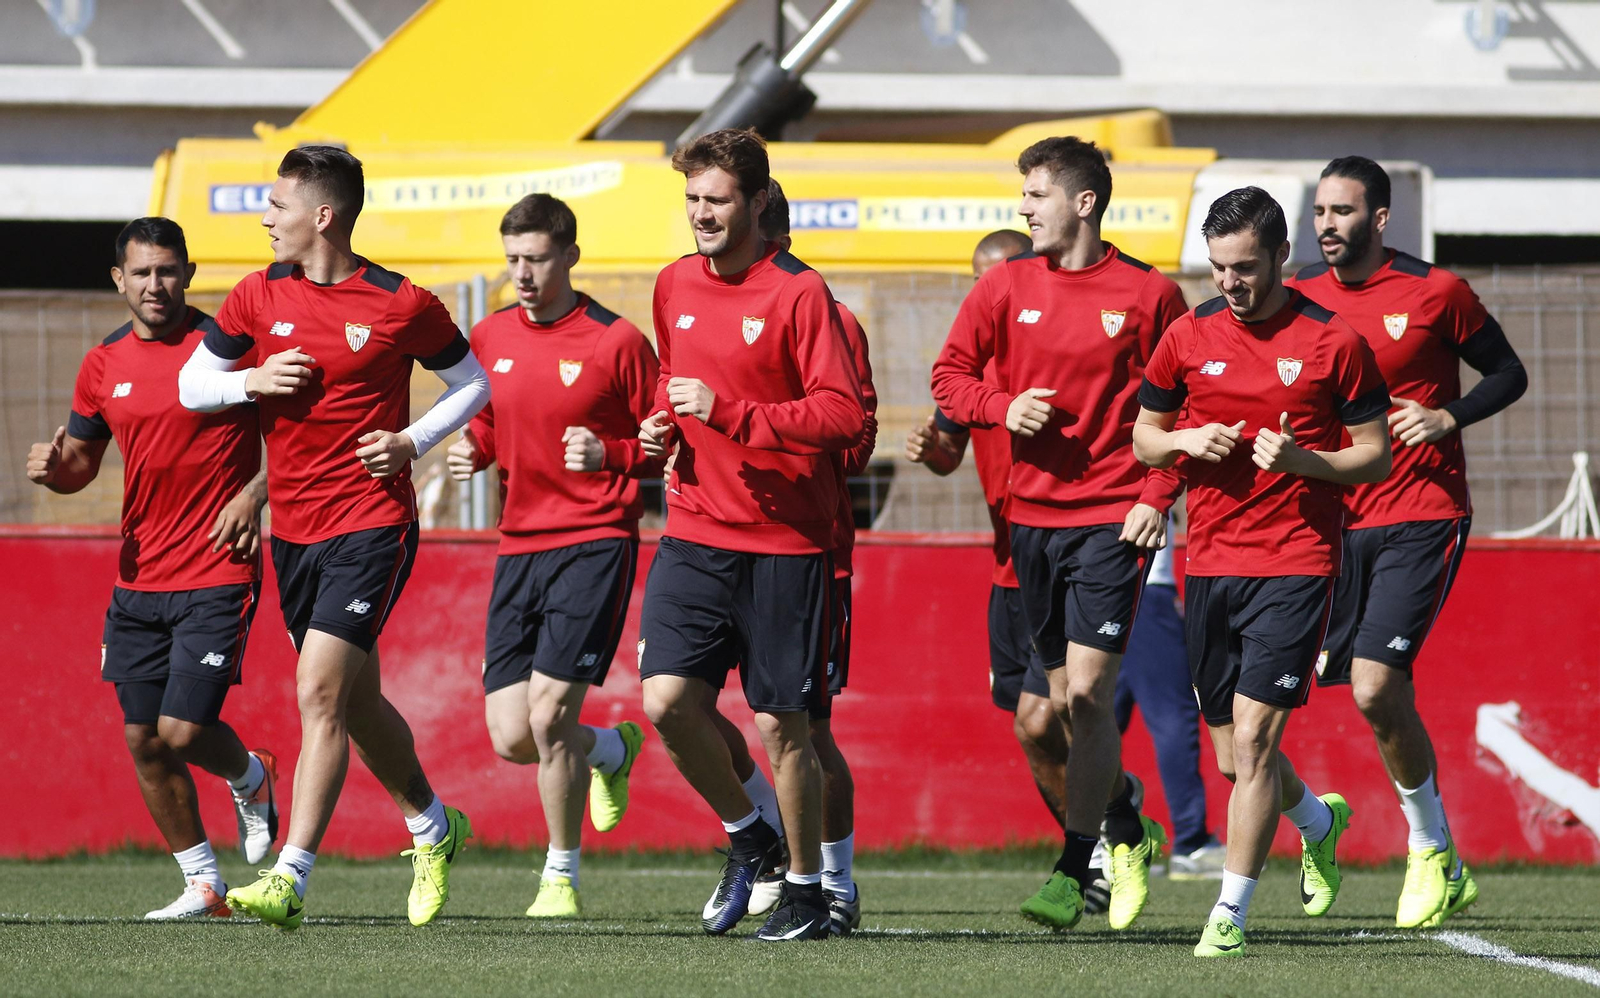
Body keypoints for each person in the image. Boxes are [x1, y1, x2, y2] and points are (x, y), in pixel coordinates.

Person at [178, 146, 491, 930]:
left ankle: (290, 877)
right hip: (296, 531)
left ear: (322, 215)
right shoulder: (256, 294)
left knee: (318, 692)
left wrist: (411, 443)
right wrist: (247, 381)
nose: (264, 218)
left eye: (276, 206)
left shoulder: (399, 302)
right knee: (354, 703)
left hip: (372, 522)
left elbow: (474, 382)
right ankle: (431, 826)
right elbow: (192, 385)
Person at [931, 138, 1184, 933]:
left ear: (1082, 202)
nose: (1022, 209)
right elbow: (948, 378)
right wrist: (1000, 408)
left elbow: (1190, 412)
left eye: (1035, 194)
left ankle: (1076, 870)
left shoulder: (1149, 295)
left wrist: (1159, 494)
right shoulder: (1003, 288)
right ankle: (1125, 820)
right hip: (1028, 526)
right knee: (1053, 715)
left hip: (1113, 520)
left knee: (1084, 692)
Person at [1133, 186, 1391, 958]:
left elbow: (1374, 452)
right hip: (1209, 562)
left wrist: (1307, 460)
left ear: (1282, 255)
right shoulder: (1186, 336)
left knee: (1250, 743)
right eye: (1218, 269)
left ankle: (1229, 916)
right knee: (1231, 753)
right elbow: (1144, 438)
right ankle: (1318, 820)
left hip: (1297, 562)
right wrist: (1186, 443)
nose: (1231, 284)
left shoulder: (1333, 341)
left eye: (1245, 267)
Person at [636, 128, 866, 942]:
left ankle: (808, 890)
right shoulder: (671, 284)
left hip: (787, 544)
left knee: (783, 725)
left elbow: (843, 414)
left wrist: (732, 414)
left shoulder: (801, 293)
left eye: (717, 200)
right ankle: (751, 836)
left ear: (759, 202)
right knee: (665, 702)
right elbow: (672, 379)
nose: (700, 214)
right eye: (692, 199)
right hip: (695, 530)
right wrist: (658, 426)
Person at [1289, 156, 1527, 927]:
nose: (1327, 225)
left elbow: (1508, 372)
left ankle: (1427, 848)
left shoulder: (1436, 292)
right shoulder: (1296, 298)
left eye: (1343, 212)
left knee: (1373, 685)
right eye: (1320, 212)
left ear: (1381, 218)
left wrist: (1446, 418)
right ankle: (1353, 837)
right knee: (1352, 696)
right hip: (1334, 523)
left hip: (1422, 512)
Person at [26, 217, 278, 920]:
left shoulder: (228, 350)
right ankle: (204, 882)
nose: (155, 285)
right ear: (119, 281)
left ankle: (253, 778)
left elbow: (300, 437)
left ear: (189, 273)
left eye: (167, 271)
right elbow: (80, 464)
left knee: (184, 730)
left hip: (218, 568)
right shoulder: (102, 363)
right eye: (141, 273)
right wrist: (54, 472)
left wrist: (255, 493)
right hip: (139, 577)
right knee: (142, 736)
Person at [444, 193, 658, 918]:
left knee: (546, 717)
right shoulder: (490, 334)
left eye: (535, 259)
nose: (522, 274)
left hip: (595, 542)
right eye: (511, 261)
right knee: (511, 736)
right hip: (520, 545)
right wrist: (473, 451)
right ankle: (610, 752)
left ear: (569, 255)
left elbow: (670, 447)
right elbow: (494, 419)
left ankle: (559, 876)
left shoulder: (617, 341)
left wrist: (614, 453)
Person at [715, 178, 878, 936]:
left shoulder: (826, 316)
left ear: (765, 230)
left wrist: (760, 424)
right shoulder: (702, 300)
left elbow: (855, 437)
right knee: (677, 699)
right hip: (717, 540)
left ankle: (832, 884)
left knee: (808, 727)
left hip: (809, 551)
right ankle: (761, 839)